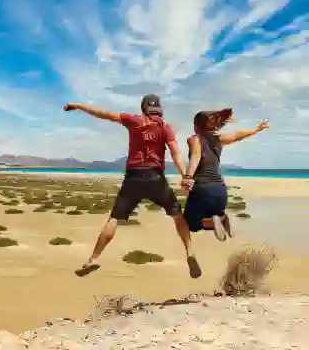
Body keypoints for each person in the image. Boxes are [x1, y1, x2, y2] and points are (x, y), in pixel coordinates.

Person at [63, 94, 202, 278]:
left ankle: (94, 259)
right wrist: (185, 175)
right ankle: (190, 252)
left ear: (143, 108)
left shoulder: (133, 120)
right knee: (177, 215)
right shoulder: (165, 127)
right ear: (158, 109)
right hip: (156, 178)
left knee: (114, 219)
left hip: (134, 178)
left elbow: (103, 114)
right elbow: (175, 153)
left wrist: (79, 105)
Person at [181, 109, 269, 241]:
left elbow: (196, 155)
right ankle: (222, 218)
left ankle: (214, 221)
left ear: (196, 126)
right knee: (211, 213)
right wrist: (257, 129)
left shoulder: (194, 139)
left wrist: (188, 177)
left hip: (202, 189)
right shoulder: (218, 139)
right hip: (220, 191)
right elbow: (236, 135)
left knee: (190, 223)